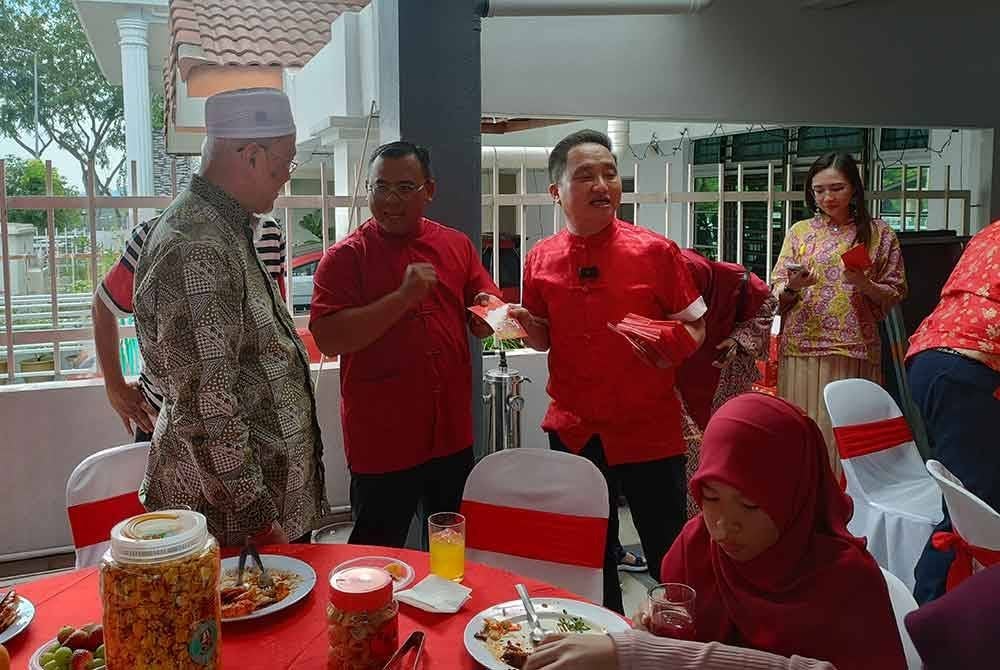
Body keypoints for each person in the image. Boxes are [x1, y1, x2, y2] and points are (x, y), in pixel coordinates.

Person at [513, 129, 706, 613]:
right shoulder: (540, 257)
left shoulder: (656, 251)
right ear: (556, 191)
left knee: (667, 548)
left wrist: (668, 347)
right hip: (576, 428)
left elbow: (696, 325)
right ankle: (603, 639)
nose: (602, 184)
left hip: (648, 427)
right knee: (588, 552)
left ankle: (676, 639)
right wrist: (518, 322)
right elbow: (542, 336)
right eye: (585, 176)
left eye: (609, 173)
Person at [133, 87, 326, 547]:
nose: (285, 176)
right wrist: (261, 521)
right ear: (253, 156)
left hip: (254, 523)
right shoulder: (197, 246)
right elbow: (207, 408)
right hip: (232, 531)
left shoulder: (224, 228)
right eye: (285, 161)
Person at [309, 141, 500, 548]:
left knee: (451, 549)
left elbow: (485, 303)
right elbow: (328, 336)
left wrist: (485, 316)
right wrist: (401, 298)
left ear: (428, 190)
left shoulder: (456, 245)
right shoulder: (345, 258)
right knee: (376, 555)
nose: (390, 200)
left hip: (450, 434)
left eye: (404, 188)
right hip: (383, 440)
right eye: (381, 187)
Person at [659, 393, 906, 670]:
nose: (723, 526)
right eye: (711, 498)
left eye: (750, 505)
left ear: (795, 498)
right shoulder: (695, 547)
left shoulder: (846, 583)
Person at [93, 210, 287, 441]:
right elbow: (102, 305)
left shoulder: (269, 235)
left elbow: (275, 322)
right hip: (167, 422)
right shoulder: (154, 236)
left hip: (248, 416)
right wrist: (114, 386)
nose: (284, 178)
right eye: (274, 172)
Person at [771, 153, 906, 478]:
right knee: (805, 428)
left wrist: (864, 284)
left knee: (848, 433)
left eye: (836, 188)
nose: (827, 198)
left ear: (855, 189)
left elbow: (896, 292)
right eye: (819, 190)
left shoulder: (879, 234)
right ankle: (807, 504)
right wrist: (793, 287)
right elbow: (776, 290)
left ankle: (848, 509)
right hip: (802, 346)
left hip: (854, 347)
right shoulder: (800, 232)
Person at [906, 219, 1000, 603]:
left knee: (969, 502)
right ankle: (931, 617)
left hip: (935, 360)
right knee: (975, 513)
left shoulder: (992, 231)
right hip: (965, 372)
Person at [675, 249, 775, 517]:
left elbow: (766, 305)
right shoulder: (667, 280)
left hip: (724, 371)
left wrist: (737, 340)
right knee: (686, 446)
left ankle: (727, 513)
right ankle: (692, 518)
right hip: (679, 372)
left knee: (724, 442)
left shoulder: (736, 280)